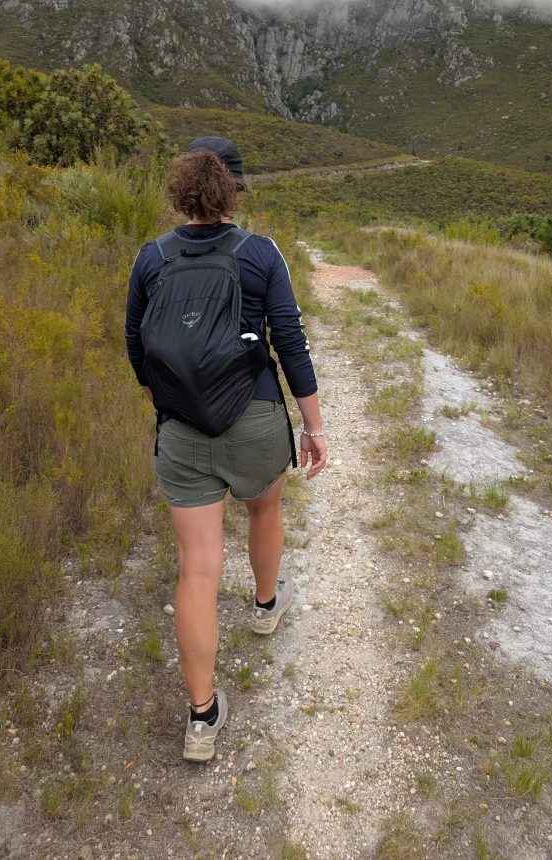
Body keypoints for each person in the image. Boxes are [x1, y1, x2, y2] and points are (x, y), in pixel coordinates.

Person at [125, 136, 326, 761]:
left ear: (182, 191)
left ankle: (203, 719)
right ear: (233, 190)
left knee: (199, 569)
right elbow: (289, 342)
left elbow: (136, 345)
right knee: (265, 510)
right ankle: (267, 606)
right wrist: (313, 425)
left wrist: (173, 402)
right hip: (257, 421)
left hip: (181, 431)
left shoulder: (151, 258)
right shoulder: (261, 254)